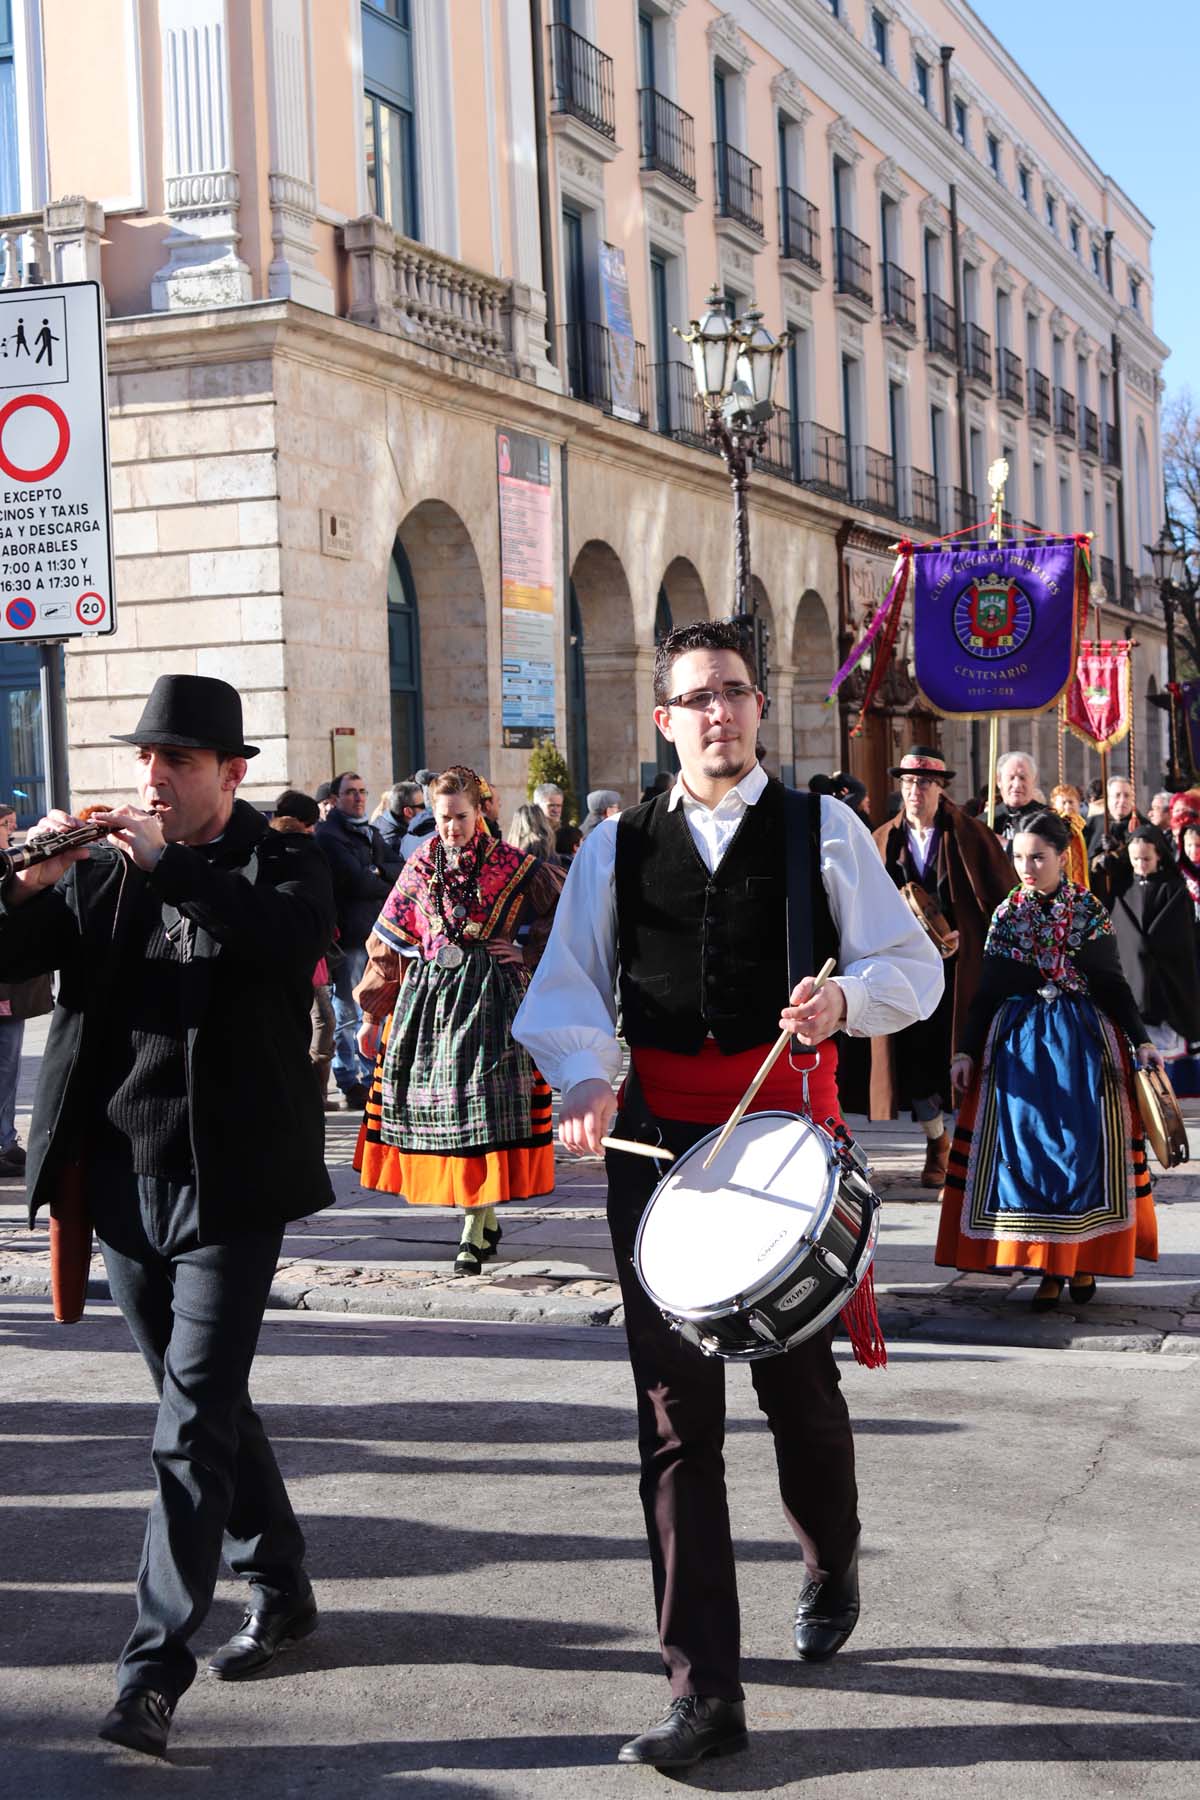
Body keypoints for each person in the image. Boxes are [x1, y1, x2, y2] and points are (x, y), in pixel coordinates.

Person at [513, 619, 943, 1772]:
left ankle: (830, 1554)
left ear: (761, 708)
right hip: (655, 1157)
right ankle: (706, 1695)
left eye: (737, 693)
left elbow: (915, 967)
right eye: (697, 697)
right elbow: (562, 990)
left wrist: (845, 1004)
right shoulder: (614, 845)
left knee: (798, 1395)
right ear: (664, 721)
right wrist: (587, 1078)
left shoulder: (823, 827)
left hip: (780, 1149)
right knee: (672, 1426)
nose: (720, 713)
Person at [0, 676, 335, 1758]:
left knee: (186, 1425)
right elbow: (16, 966)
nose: (152, 777)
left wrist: (173, 866)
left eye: (178, 761)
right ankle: (282, 1581)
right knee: (206, 1403)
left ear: (228, 774)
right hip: (121, 1178)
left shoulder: (282, 856)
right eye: (147, 758)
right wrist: (31, 883)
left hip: (232, 1182)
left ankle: (150, 1673)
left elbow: (286, 947)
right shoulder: (105, 869)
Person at [937, 809, 1160, 1311]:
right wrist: (966, 1050)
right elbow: (987, 988)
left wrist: (1141, 1040)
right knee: (1029, 1156)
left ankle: (1078, 1262)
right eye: (1019, 857)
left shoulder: (1088, 911)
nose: (1026, 867)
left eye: (1037, 857)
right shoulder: (1008, 914)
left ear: (1063, 857)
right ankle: (1046, 1269)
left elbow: (1112, 984)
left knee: (1081, 1157)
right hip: (1019, 1052)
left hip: (1082, 1048)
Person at [353, 769, 562, 1275]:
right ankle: (480, 1216)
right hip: (429, 1002)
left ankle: (473, 1226)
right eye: (443, 818)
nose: (451, 828)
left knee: (483, 1109)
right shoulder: (421, 863)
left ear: (481, 810)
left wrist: (524, 952)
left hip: (492, 998)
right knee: (447, 1112)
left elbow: (564, 908)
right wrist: (372, 1012)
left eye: (461, 817)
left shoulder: (514, 864)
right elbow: (388, 942)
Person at [865, 747, 1014, 1188]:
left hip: (959, 969)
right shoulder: (883, 838)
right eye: (908, 783)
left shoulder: (970, 834)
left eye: (924, 783)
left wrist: (969, 934)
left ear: (940, 788)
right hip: (906, 968)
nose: (915, 791)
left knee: (962, 1054)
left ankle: (976, 1146)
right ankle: (936, 1141)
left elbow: (1001, 900)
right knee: (915, 1056)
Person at [315, 771, 402, 1108]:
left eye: (363, 791)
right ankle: (349, 1079)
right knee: (348, 1010)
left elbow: (398, 866)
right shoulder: (330, 835)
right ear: (336, 798)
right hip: (350, 934)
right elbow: (356, 882)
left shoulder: (369, 830)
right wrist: (379, 877)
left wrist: (379, 873)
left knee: (373, 1007)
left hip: (374, 933)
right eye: (351, 792)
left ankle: (370, 1075)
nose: (359, 797)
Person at [1109, 826, 1200, 1065]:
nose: (1140, 864)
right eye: (1135, 859)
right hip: (1131, 981)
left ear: (1159, 855)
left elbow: (1178, 937)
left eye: (1146, 859)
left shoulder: (1173, 889)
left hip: (1165, 987)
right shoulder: (1121, 888)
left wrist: (1148, 943)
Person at [270, 789, 337, 1107]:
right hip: (308, 953)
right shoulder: (307, 852)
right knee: (321, 1018)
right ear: (308, 823)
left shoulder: (261, 849)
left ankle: (313, 1094)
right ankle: (314, 1094)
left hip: (287, 954)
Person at [0, 800, 52, 1174]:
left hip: (15, 992)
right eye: (7, 824)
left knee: (10, 1067)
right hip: (6, 991)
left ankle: (5, 1139)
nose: (12, 829)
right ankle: (2, 1141)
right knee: (5, 1067)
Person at [990, 750, 1042, 850]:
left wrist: (1007, 846)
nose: (1017, 784)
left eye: (1022, 778)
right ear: (999, 781)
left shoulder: (1047, 820)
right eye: (1011, 777)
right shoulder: (985, 821)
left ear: (1034, 781)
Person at [1048, 783, 1091, 890]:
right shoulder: (1051, 826)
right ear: (1054, 806)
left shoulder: (1084, 826)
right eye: (1063, 803)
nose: (1068, 806)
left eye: (1071, 802)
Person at [373, 781, 424, 863]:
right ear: (408, 812)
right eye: (423, 806)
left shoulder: (386, 820)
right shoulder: (392, 843)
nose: (426, 810)